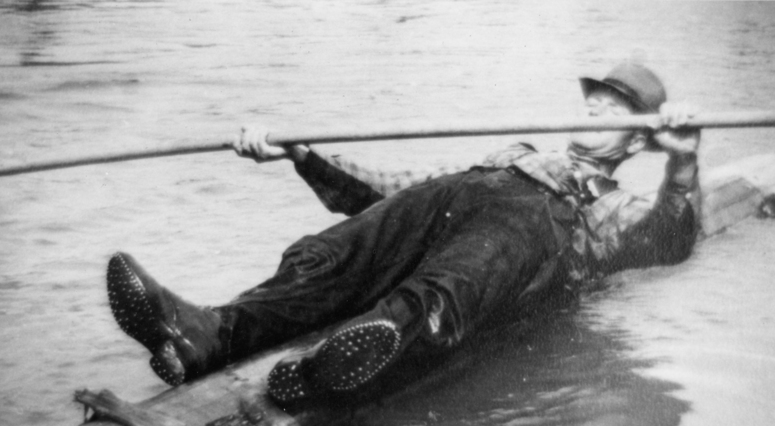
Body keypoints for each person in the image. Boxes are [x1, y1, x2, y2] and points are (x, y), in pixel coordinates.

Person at [106, 62, 700, 408]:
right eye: (591, 100)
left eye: (612, 108)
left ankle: (333, 369)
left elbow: (668, 240)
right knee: (336, 254)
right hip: (444, 210)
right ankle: (205, 334)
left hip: (512, 255)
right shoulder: (509, 153)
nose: (593, 110)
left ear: (638, 140)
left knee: (454, 280)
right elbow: (387, 188)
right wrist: (301, 154)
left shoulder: (610, 208)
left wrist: (684, 163)